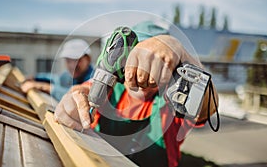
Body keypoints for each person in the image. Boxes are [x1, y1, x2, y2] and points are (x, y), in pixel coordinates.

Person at [54, 22, 219, 167]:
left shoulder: (175, 102)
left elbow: (209, 106)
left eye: (155, 63)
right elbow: (82, 92)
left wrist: (181, 53)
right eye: (135, 60)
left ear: (171, 68)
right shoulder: (108, 92)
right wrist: (72, 102)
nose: (142, 73)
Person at [21, 39, 94, 101]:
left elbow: (75, 96)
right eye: (68, 61)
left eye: (77, 60)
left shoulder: (95, 80)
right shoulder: (68, 76)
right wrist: (35, 78)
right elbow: (55, 78)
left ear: (88, 59)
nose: (72, 65)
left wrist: (43, 86)